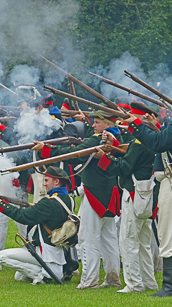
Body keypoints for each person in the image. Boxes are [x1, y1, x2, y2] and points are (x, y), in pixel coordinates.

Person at [119, 88, 172, 297]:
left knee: (169, 233)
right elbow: (168, 142)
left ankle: (170, 286)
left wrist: (136, 124)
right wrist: (154, 126)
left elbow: (158, 143)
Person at [32, 108, 123, 290]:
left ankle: (89, 281)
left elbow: (75, 155)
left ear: (108, 124)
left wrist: (46, 149)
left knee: (88, 238)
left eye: (97, 122)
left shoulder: (100, 140)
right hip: (109, 193)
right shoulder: (117, 139)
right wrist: (85, 121)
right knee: (109, 238)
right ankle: (113, 278)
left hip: (94, 193)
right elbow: (89, 138)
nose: (94, 125)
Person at [95, 102, 158, 293]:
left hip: (134, 193)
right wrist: (114, 144)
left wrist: (104, 158)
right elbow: (131, 154)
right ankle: (149, 282)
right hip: (146, 193)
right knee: (143, 242)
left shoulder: (139, 142)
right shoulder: (149, 138)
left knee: (128, 240)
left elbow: (124, 167)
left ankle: (134, 284)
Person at [0, 166, 74, 284]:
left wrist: (1, 204)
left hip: (46, 253)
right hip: (58, 254)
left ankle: (46, 277)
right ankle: (51, 272)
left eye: (46, 180)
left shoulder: (48, 203)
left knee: (1, 256)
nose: (44, 184)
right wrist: (34, 206)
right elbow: (50, 211)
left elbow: (23, 216)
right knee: (19, 277)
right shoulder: (69, 200)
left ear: (56, 182)